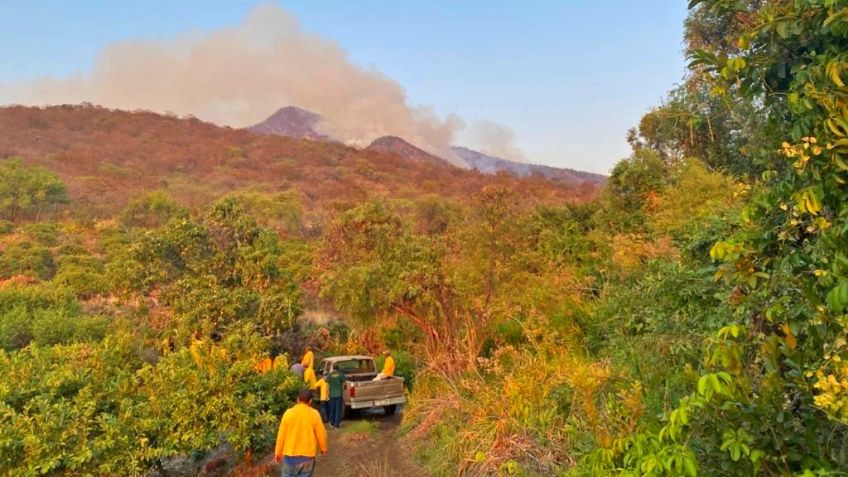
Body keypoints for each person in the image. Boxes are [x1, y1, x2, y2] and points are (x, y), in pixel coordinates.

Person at [274, 389, 328, 477]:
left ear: (297, 399)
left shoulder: (288, 413)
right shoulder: (314, 414)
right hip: (307, 458)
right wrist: (323, 449)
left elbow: (281, 435)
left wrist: (278, 452)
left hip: (289, 458)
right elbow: (321, 434)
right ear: (310, 401)